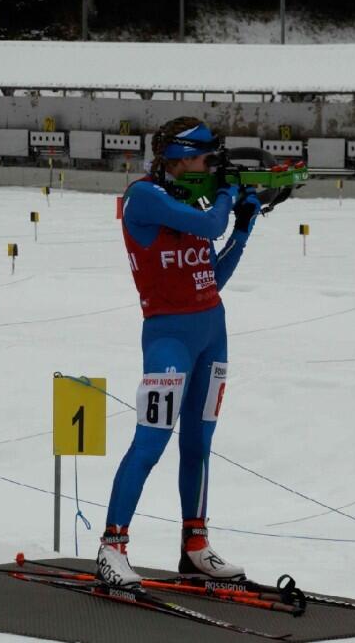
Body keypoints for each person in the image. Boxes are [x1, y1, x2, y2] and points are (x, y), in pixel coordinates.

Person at [96, 117, 262, 589]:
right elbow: (212, 221)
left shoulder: (194, 198)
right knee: (151, 441)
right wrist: (230, 195)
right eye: (206, 160)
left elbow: (211, 277)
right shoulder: (144, 197)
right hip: (168, 337)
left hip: (213, 330)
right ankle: (112, 546)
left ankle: (195, 545)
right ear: (179, 159)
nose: (210, 168)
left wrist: (244, 231)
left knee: (198, 444)